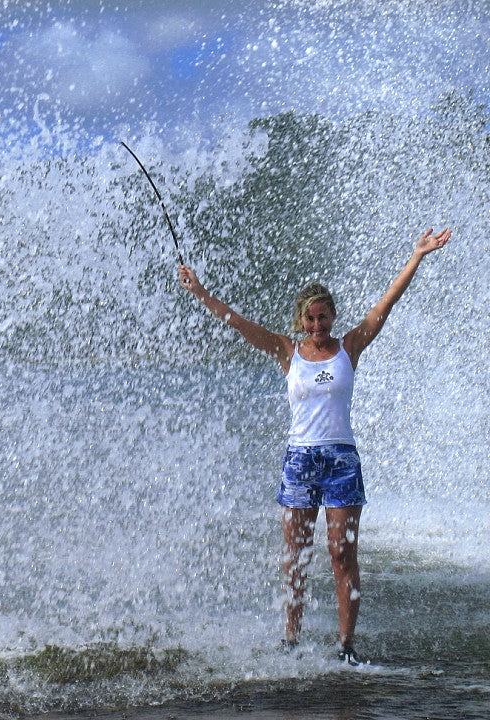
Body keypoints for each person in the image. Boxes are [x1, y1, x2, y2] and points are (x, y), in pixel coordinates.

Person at [177, 227, 452, 664]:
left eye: (324, 317)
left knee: (342, 554)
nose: (318, 325)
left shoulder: (350, 346)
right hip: (300, 461)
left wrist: (417, 256)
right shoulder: (287, 350)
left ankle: (346, 646)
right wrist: (201, 292)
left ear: (333, 316)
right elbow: (237, 322)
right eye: (311, 319)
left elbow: (387, 303)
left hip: (342, 461)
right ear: (301, 320)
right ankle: (291, 639)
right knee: (297, 555)